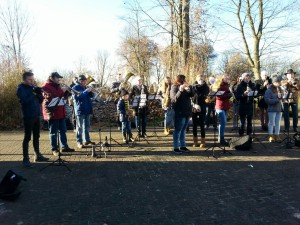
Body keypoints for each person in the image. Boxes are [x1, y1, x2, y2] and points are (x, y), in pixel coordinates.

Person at [17, 71, 49, 167]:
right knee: (27, 137)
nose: (32, 81)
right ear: (24, 80)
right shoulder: (20, 88)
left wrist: (40, 95)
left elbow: (39, 101)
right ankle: (25, 159)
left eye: (33, 79)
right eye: (30, 80)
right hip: (28, 115)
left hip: (36, 114)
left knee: (37, 136)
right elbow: (24, 100)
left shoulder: (33, 88)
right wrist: (33, 93)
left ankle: (37, 155)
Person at [42, 72, 75, 156]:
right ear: (52, 78)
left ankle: (64, 147)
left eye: (59, 78)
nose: (59, 79)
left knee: (63, 131)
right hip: (52, 113)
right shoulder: (45, 87)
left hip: (60, 112)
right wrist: (61, 92)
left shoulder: (58, 86)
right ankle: (54, 149)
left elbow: (62, 98)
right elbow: (50, 97)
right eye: (57, 78)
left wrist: (66, 92)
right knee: (53, 132)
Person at [170, 74, 194, 153]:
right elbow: (174, 99)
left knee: (183, 130)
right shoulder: (174, 87)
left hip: (187, 111)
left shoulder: (186, 86)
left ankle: (183, 146)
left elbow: (192, 95)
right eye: (183, 79)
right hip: (179, 111)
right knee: (178, 130)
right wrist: (180, 90)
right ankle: (176, 147)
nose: (184, 81)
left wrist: (189, 90)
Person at [72, 75, 95, 148]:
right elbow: (77, 97)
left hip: (87, 109)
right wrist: (85, 91)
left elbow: (91, 96)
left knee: (87, 126)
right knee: (79, 127)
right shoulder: (75, 88)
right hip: (80, 110)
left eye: (85, 81)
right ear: (80, 81)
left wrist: (91, 91)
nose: (85, 82)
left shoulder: (86, 87)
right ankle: (79, 142)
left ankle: (87, 140)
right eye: (84, 81)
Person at [213, 74, 232, 145]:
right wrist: (227, 95)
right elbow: (217, 96)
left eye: (228, 78)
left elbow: (226, 96)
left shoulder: (227, 86)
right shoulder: (219, 85)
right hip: (220, 106)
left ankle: (220, 137)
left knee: (223, 123)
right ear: (222, 78)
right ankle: (221, 138)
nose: (227, 79)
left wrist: (230, 95)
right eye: (226, 78)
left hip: (225, 106)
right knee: (223, 122)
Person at [191, 74, 209, 147]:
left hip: (202, 107)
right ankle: (195, 141)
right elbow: (192, 96)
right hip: (194, 107)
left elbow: (203, 95)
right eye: (199, 79)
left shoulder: (206, 87)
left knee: (202, 125)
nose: (200, 81)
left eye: (202, 79)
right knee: (194, 125)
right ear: (197, 80)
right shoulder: (193, 86)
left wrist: (196, 94)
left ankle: (203, 141)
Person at [264, 76, 283, 143]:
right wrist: (276, 100)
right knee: (271, 123)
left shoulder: (280, 89)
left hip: (279, 108)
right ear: (274, 82)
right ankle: (270, 135)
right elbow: (267, 100)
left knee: (277, 123)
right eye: (278, 82)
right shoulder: (269, 90)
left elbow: (282, 98)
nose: (279, 83)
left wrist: (283, 97)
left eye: (279, 82)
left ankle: (277, 135)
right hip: (272, 109)